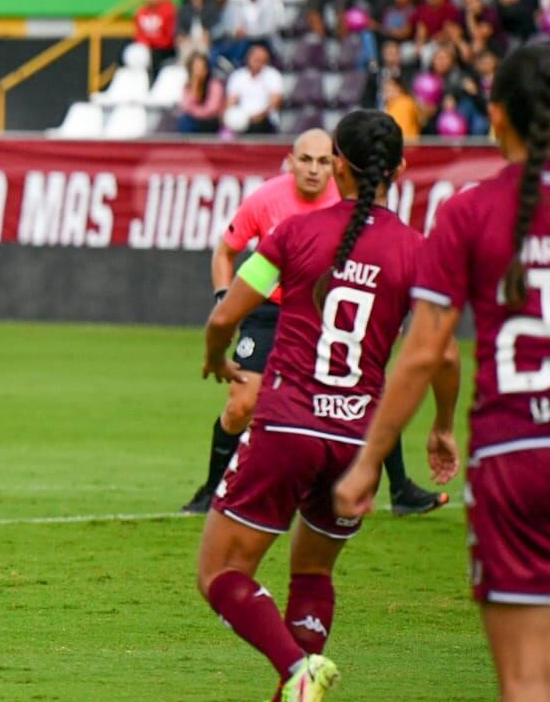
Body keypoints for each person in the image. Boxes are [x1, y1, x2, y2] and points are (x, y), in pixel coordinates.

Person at [334, 41, 550, 702]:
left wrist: (367, 463)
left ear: (492, 114)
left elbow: (424, 353)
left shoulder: (467, 214)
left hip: (510, 464)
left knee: (527, 679)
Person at [200, 109, 460, 702]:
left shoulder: (293, 233)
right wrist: (444, 427)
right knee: (314, 570)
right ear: (401, 170)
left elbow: (229, 311)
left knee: (219, 573)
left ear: (336, 163)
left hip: (288, 427)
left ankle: (295, 669)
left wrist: (216, 356)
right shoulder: (419, 252)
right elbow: (445, 357)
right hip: (356, 445)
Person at [182, 128, 447, 518]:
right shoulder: (266, 200)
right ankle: (212, 489)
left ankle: (400, 487)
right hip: (270, 312)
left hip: (326, 310)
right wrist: (225, 299)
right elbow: (226, 251)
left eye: (323, 161)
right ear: (289, 161)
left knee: (362, 392)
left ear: (338, 166)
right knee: (241, 405)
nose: (313, 169)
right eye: (305, 160)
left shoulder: (349, 203)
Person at [223, 42, 283, 136]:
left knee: (257, 125)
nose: (257, 62)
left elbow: (275, 103)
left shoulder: (273, 75)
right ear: (248, 58)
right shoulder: (238, 76)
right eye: (255, 58)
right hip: (242, 119)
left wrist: (259, 116)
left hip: (264, 120)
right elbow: (231, 101)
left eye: (261, 59)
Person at [176, 52, 224, 133]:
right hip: (193, 120)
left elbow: (212, 109)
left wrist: (195, 112)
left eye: (202, 67)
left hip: (210, 121)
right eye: (196, 68)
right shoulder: (188, 86)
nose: (200, 71)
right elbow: (186, 107)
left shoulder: (215, 84)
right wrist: (195, 86)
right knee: (184, 121)